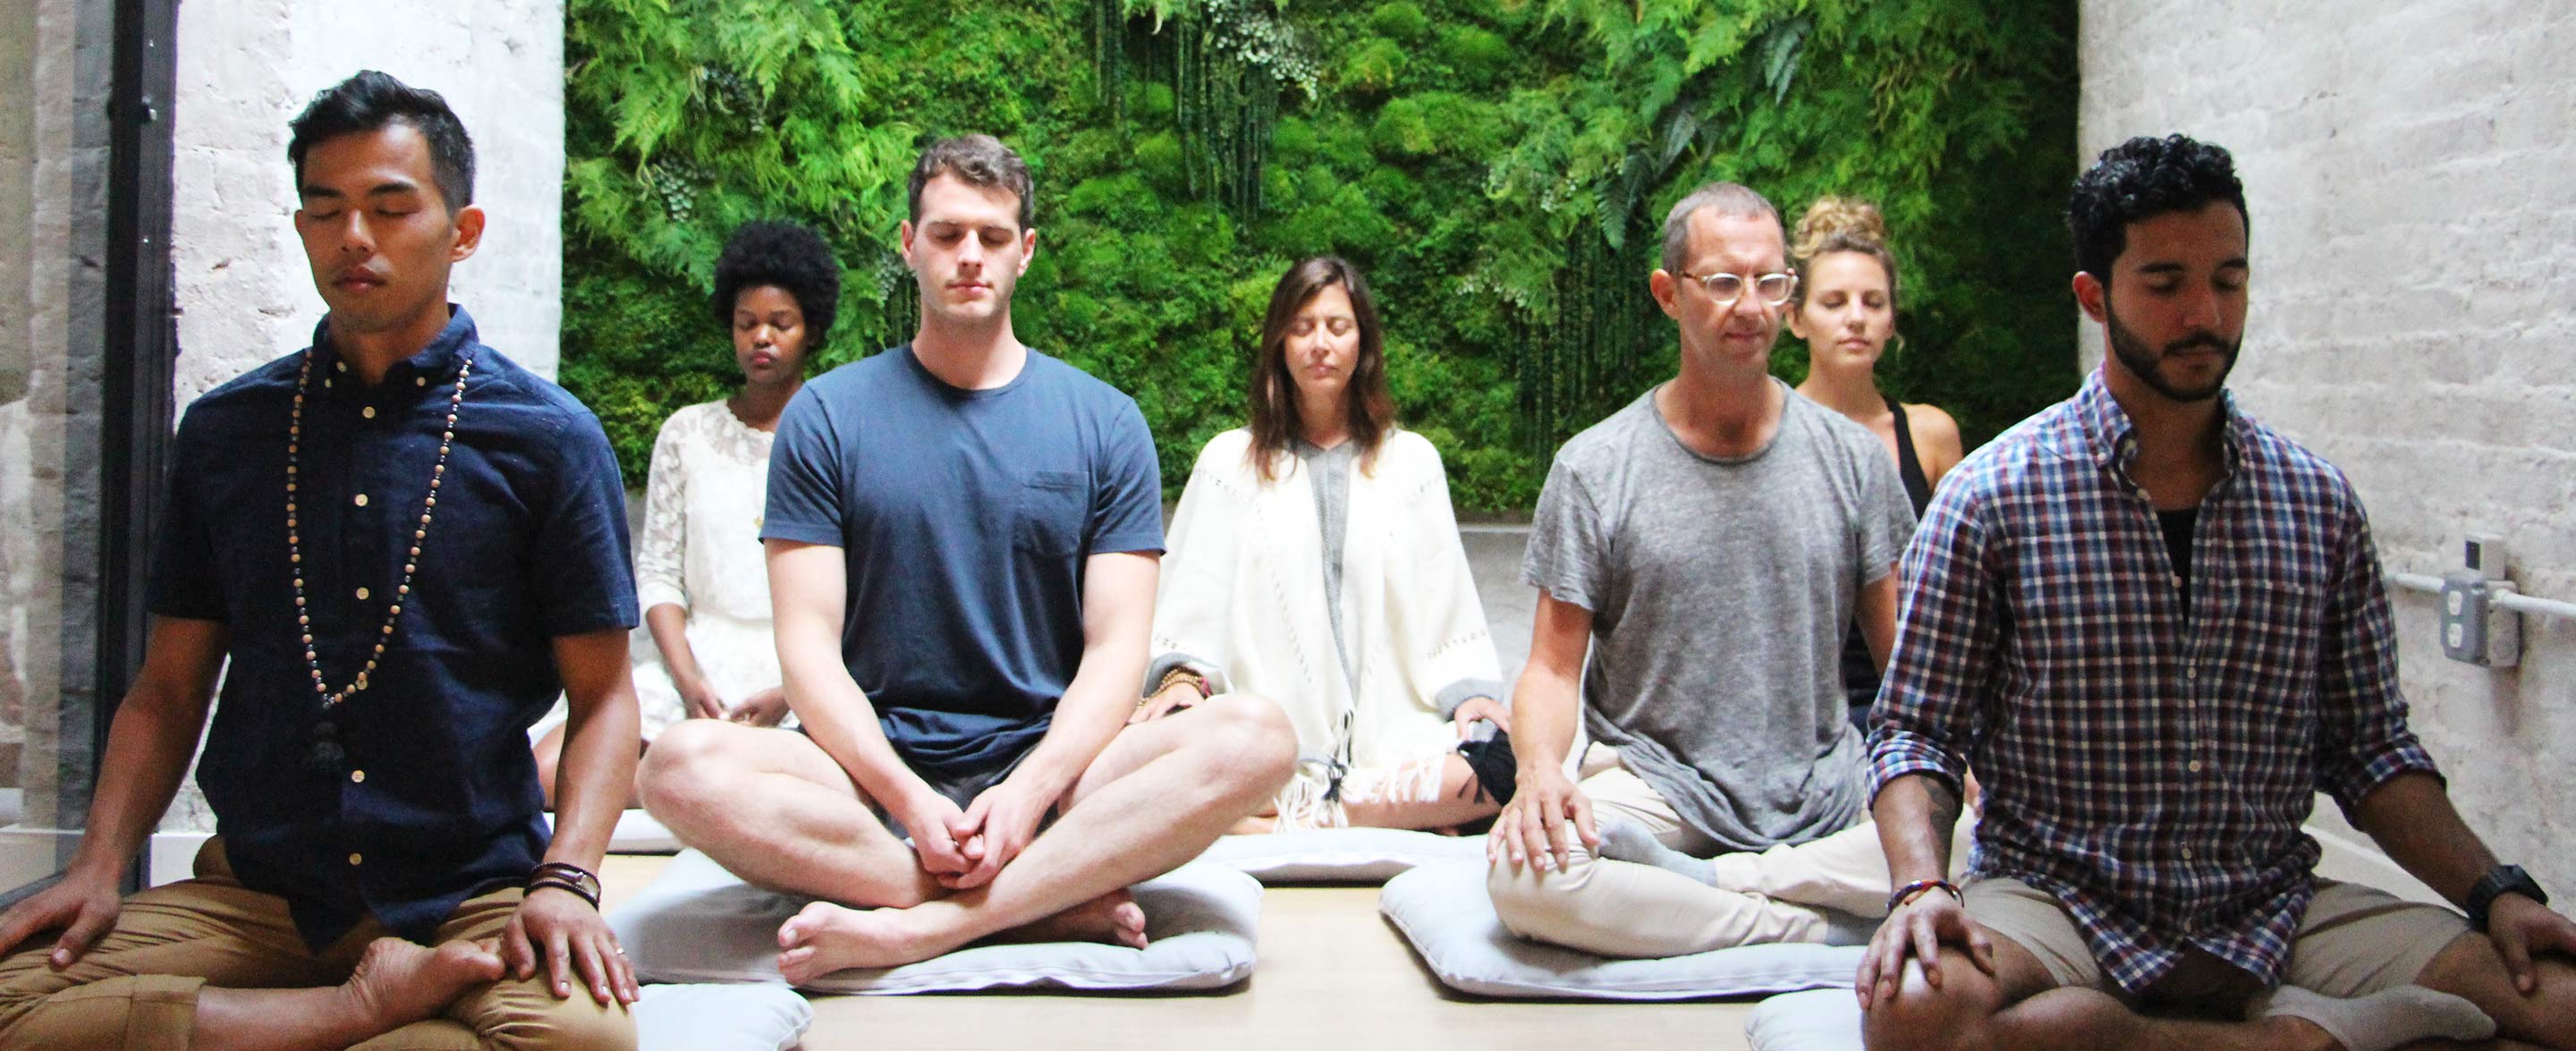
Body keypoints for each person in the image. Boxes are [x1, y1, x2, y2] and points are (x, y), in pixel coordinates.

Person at [1860, 134, 2574, 1051]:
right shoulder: (1992, 497)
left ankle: (2134, 1032)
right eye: (2165, 284)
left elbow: (2371, 750)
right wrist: (1922, 888)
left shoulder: (2314, 501)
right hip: (2061, 901)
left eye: (2228, 281)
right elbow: (1915, 730)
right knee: (1914, 1013)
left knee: (2559, 994)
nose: (2205, 313)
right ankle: (2282, 1042)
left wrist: (2497, 890)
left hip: (2269, 903)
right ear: (2094, 295)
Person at [0, 72, 640, 1049]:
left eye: (390, 207)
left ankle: (267, 1031)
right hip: (263, 893)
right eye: (326, 209)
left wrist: (567, 878)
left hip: (467, 892)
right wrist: (95, 869)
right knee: (11, 991)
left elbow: (604, 699)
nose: (354, 237)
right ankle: (357, 1015)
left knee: (579, 1036)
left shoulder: (547, 439)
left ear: (462, 231)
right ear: (301, 226)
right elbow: (169, 689)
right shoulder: (229, 432)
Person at [633, 135, 1296, 979]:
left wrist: (1028, 791)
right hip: (865, 777)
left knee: (1257, 736)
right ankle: (1036, 904)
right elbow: (807, 650)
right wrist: (906, 796)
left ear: (1026, 250)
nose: (970, 255)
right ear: (909, 245)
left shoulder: (1107, 423)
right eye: (947, 234)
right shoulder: (826, 418)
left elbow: (1116, 652)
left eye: (992, 235)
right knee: (678, 766)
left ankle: (918, 927)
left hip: (1057, 773)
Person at [1482, 182, 1939, 958]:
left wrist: (1962, 767)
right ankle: (1812, 924)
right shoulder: (1597, 466)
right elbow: (1553, 669)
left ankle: (1720, 887)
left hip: (1824, 788)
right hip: (1659, 786)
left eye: (1770, 282)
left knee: (1974, 835)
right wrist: (1538, 773)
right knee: (1525, 876)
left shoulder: (1853, 460)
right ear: (1669, 293)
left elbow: (1906, 657)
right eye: (1724, 282)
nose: (1750, 306)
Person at [1142, 257, 1508, 834]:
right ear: (1279, 344)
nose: (1320, 344)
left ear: (1363, 343)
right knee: (1152, 756)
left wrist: (1469, 695)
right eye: (1302, 327)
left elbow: (1446, 604)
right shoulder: (1229, 463)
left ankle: (1294, 816)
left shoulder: (1412, 462)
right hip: (1261, 743)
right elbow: (1194, 600)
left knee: (1504, 765)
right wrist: (1184, 681)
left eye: (1338, 327)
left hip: (1394, 741)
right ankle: (1375, 812)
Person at [530, 219, 835, 805]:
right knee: (549, 773)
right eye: (747, 323)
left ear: (812, 330)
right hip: (698, 663)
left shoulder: (838, 436)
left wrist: (792, 692)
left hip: (803, 675)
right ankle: (713, 796)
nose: (762, 338)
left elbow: (867, 589)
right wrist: (687, 675)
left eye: (781, 324)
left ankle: (702, 792)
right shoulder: (687, 434)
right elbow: (660, 574)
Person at [1784, 197, 1965, 730]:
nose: (1856, 318)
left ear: (1891, 322)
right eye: (1834, 302)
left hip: (1913, 693)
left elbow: (1962, 585)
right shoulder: (1768, 435)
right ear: (1795, 318)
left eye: (1873, 302)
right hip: (1802, 706)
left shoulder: (1931, 435)